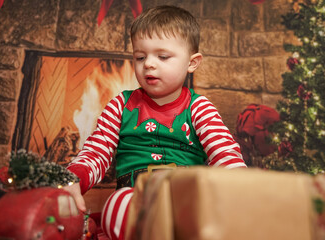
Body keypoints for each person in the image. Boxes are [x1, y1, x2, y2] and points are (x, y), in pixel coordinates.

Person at [64, 5, 247, 240]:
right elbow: (96, 151)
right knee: (116, 204)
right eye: (140, 57)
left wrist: (241, 190)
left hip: (184, 199)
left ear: (192, 63)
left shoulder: (199, 107)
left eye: (162, 56)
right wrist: (72, 179)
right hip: (134, 199)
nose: (148, 64)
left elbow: (224, 153)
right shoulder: (121, 105)